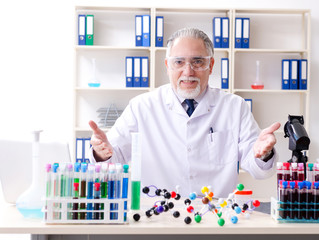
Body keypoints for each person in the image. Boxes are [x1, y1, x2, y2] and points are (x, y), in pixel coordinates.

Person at [89, 28, 281, 197]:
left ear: (211, 65)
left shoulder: (235, 107)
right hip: (158, 218)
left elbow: (259, 170)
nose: (188, 71)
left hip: (216, 219)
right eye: (179, 62)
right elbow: (112, 161)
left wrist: (263, 154)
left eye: (197, 62)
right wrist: (102, 153)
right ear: (167, 66)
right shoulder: (141, 107)